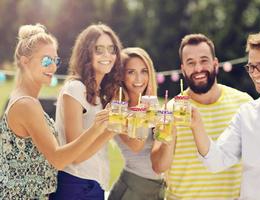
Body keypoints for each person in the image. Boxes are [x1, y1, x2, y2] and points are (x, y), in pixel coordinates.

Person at [0, 24, 109, 199]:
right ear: (24, 61)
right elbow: (58, 160)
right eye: (46, 60)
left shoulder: (25, 99)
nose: (52, 67)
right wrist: (95, 129)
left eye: (55, 60)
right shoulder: (27, 104)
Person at [192, 30, 260, 200]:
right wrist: (197, 125)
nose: (255, 74)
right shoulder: (246, 113)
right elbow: (216, 161)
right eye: (251, 67)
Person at [151, 33, 252, 199]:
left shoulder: (243, 103)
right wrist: (171, 130)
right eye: (191, 63)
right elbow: (158, 167)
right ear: (183, 69)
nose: (198, 68)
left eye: (204, 60)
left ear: (215, 64)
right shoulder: (169, 109)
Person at [49, 23, 122, 200]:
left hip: (94, 185)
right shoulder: (75, 88)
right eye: (99, 50)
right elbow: (77, 156)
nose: (107, 55)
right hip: (75, 185)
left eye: (111, 49)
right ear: (87, 54)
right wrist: (109, 131)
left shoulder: (100, 94)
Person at [108, 47, 165, 200]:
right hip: (132, 189)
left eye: (144, 71)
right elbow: (136, 145)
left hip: (159, 190)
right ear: (121, 76)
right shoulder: (118, 110)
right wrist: (142, 113)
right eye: (131, 72)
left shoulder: (155, 108)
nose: (139, 78)